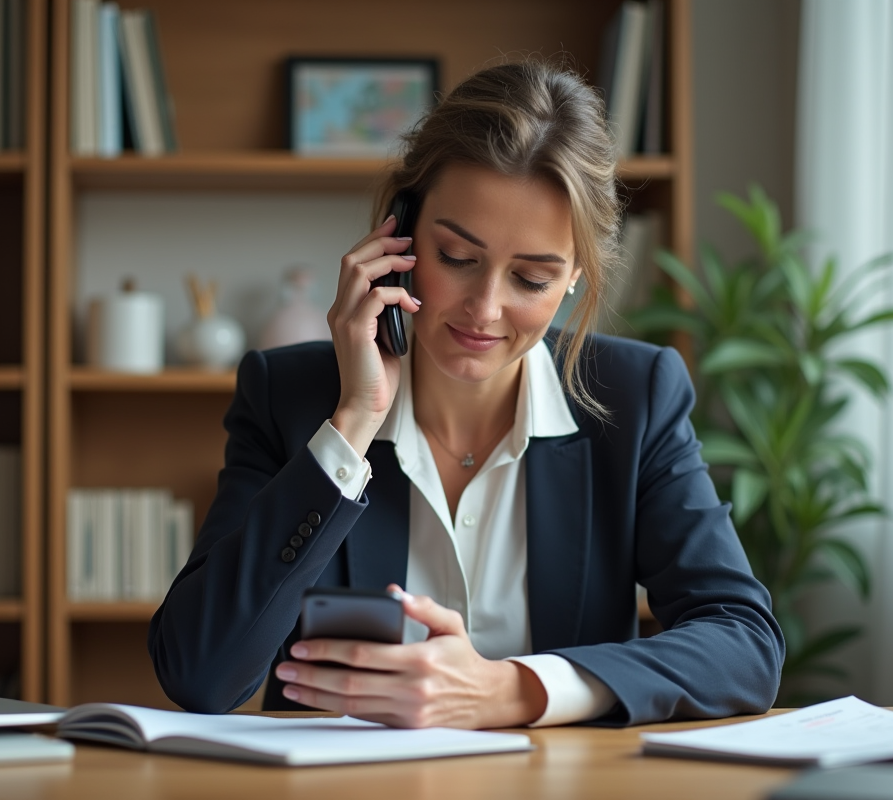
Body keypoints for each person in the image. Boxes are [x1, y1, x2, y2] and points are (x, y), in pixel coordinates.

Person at [148, 61, 784, 729]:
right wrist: (352, 424)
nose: (484, 309)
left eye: (531, 278)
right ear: (399, 232)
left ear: (575, 275)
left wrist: (512, 690)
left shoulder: (636, 397)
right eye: (457, 258)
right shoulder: (288, 397)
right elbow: (200, 674)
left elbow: (744, 644)